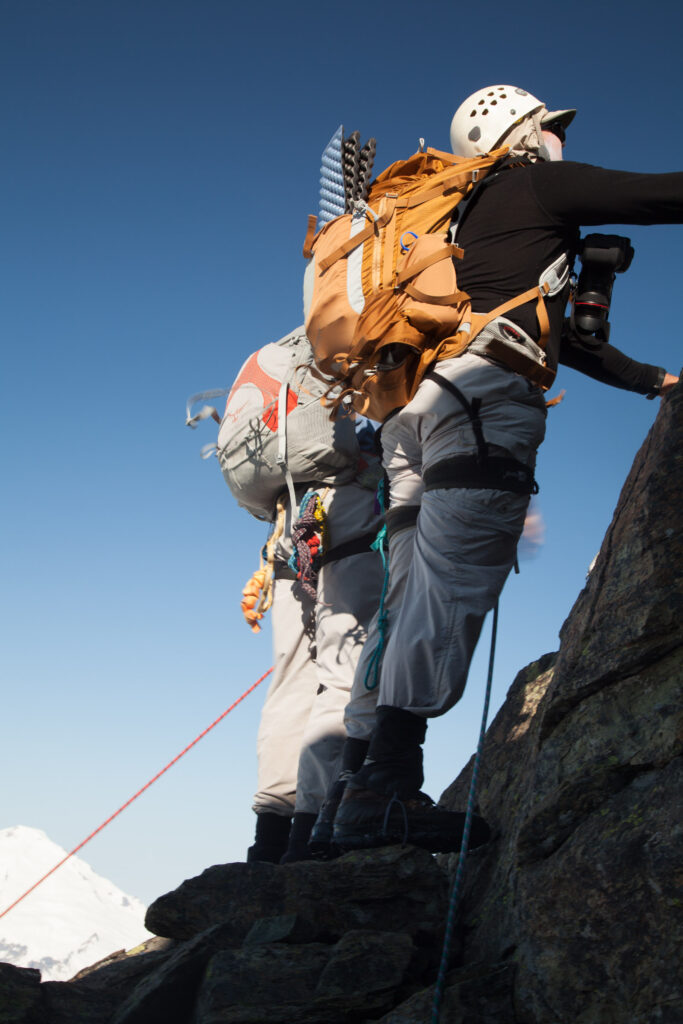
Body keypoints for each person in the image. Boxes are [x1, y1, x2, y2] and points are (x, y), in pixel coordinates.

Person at [328, 85, 680, 853]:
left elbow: (573, 344)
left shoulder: (460, 216)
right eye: (548, 128)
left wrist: (656, 381)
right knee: (448, 588)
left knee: (405, 597)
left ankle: (349, 791)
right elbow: (661, 196)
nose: (557, 140)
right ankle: (380, 795)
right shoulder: (533, 182)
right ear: (519, 131)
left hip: (414, 411)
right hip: (482, 404)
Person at [242, 335, 385, 864]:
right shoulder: (381, 339)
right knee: (343, 670)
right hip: (352, 503)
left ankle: (271, 838)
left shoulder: (311, 352)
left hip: (294, 514)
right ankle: (314, 832)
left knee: (293, 679)